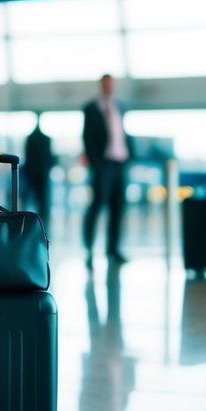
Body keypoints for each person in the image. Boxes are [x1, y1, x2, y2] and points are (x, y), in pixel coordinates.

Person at [81, 74, 130, 268]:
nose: (110, 86)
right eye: (106, 83)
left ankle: (113, 249)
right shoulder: (91, 108)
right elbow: (87, 137)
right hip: (103, 163)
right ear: (101, 85)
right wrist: (96, 162)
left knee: (118, 207)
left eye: (112, 83)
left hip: (120, 162)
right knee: (98, 204)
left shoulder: (120, 106)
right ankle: (89, 249)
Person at [23, 114, 55, 220]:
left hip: (33, 174)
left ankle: (27, 223)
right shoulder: (45, 139)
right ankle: (42, 225)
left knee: (29, 202)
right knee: (43, 203)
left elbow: (27, 157)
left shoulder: (31, 139)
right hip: (42, 174)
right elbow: (50, 157)